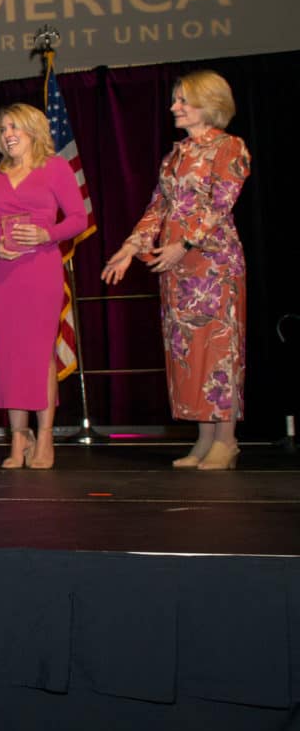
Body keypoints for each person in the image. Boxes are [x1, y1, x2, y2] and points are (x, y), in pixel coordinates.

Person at [101, 71, 250, 470]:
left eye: (183, 100)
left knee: (218, 349)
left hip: (213, 264)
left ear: (209, 102)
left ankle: (227, 441)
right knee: (188, 353)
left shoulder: (229, 147)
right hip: (176, 268)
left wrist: (184, 244)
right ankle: (204, 439)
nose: (174, 107)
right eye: (175, 99)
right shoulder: (175, 155)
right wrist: (130, 247)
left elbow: (220, 205)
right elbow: (158, 207)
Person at [0, 104, 87, 469]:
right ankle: (19, 438)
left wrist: (46, 234)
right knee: (7, 357)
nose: (8, 134)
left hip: (40, 270)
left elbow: (79, 218)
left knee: (39, 355)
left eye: (14, 127)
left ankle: (45, 436)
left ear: (33, 129)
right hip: (0, 276)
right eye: (3, 128)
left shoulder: (56, 168)